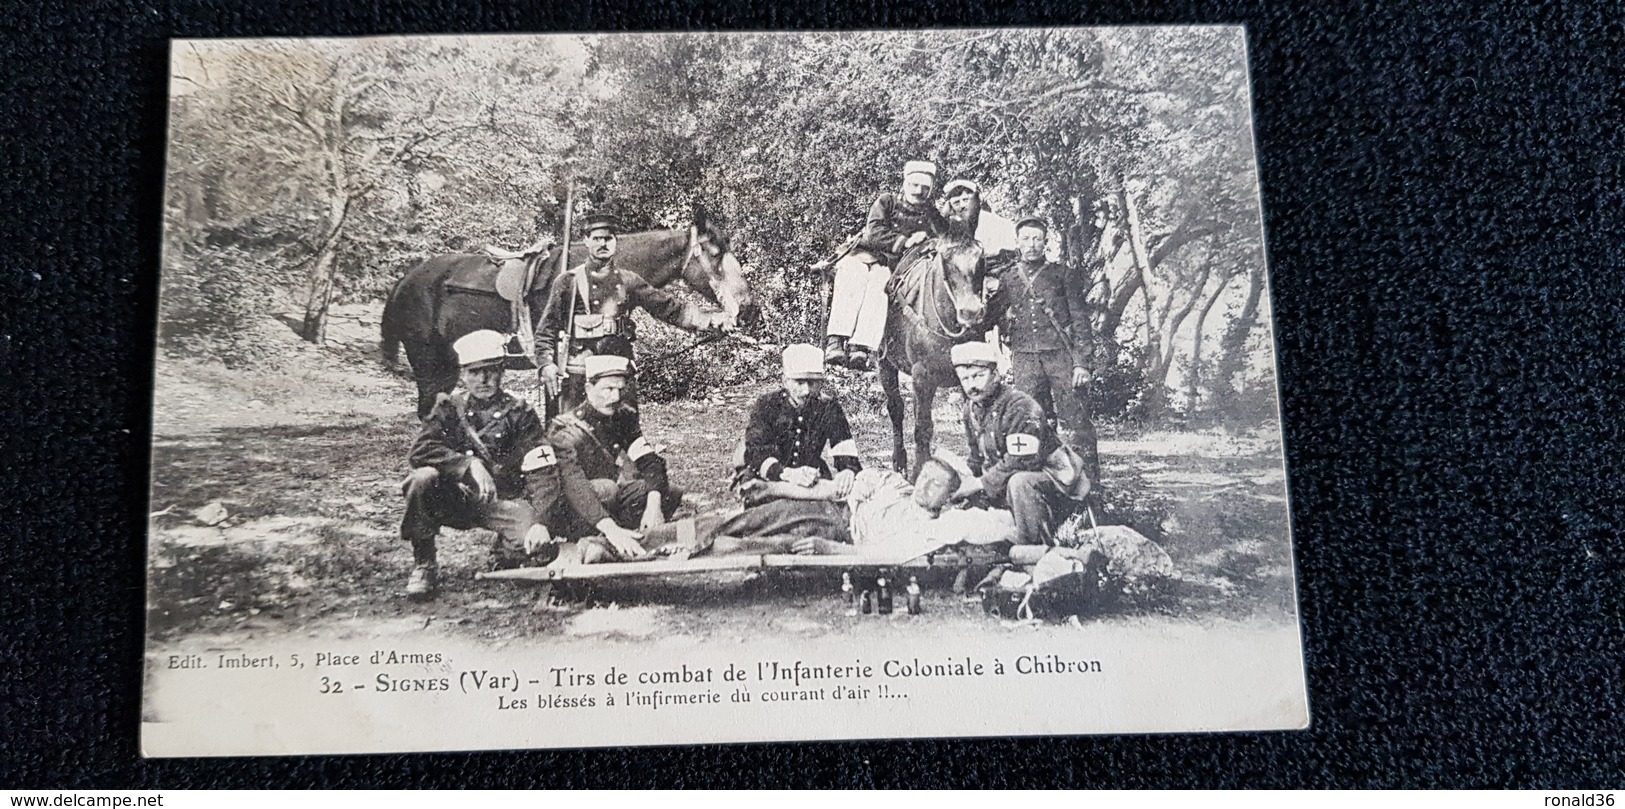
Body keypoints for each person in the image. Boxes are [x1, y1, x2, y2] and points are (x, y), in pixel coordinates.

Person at [399, 330, 605, 600]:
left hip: (504, 503)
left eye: (491, 370)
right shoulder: (449, 407)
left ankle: (505, 550)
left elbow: (542, 469)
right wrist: (469, 464)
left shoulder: (519, 413)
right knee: (421, 479)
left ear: (502, 371)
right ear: (463, 374)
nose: (483, 379)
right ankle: (424, 564)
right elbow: (421, 450)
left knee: (535, 547)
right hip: (458, 499)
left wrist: (541, 522)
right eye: (474, 372)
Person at [581, 456, 1013, 564]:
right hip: (827, 512)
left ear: (949, 495)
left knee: (742, 546)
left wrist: (830, 550)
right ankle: (626, 543)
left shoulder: (933, 527)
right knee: (735, 520)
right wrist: (773, 489)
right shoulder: (891, 484)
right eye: (925, 475)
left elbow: (882, 556)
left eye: (938, 485)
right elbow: (828, 490)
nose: (925, 485)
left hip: (839, 540)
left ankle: (662, 556)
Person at [536, 213, 717, 415]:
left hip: (618, 371)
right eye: (596, 238)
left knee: (622, 435)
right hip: (579, 375)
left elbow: (669, 309)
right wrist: (546, 365)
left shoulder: (629, 281)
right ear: (586, 241)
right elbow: (545, 331)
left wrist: (711, 320)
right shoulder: (567, 281)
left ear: (615, 243)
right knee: (571, 436)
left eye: (608, 238)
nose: (603, 244)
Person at [984, 216, 1101, 487]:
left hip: (1061, 358)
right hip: (1025, 360)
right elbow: (990, 316)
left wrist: (1082, 364)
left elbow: (1080, 319)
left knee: (1077, 423)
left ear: (1046, 242)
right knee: (1032, 423)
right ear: (1017, 242)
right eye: (1025, 238)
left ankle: (1091, 487)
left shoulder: (1063, 274)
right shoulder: (1008, 278)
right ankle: (1045, 485)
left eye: (1037, 238)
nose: (1031, 244)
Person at [824, 160, 949, 370]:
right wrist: (905, 241)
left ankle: (860, 347)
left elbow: (944, 237)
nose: (919, 191)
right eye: (914, 185)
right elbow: (874, 232)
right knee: (852, 274)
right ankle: (835, 341)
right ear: (905, 183)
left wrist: (930, 239)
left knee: (880, 285)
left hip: (893, 265)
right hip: (866, 253)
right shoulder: (887, 202)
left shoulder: (931, 212)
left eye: (925, 188)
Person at [949, 341, 1074, 547]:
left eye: (979, 376)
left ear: (995, 375)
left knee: (1020, 482)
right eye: (965, 379)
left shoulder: (1020, 406)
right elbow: (976, 458)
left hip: (1054, 485)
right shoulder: (971, 409)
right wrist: (961, 481)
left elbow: (1021, 462)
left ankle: (1032, 548)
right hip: (1003, 485)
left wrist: (979, 484)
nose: (972, 385)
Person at [547, 354, 682, 544]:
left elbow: (649, 461)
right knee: (608, 488)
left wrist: (653, 505)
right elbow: (574, 485)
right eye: (608, 389)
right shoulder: (566, 429)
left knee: (668, 492)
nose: (616, 397)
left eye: (620, 389)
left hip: (606, 500)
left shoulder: (621, 417)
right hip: (574, 507)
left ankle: (628, 534)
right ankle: (606, 536)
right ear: (588, 388)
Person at [740, 343, 861, 499]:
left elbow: (843, 446)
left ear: (821, 383)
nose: (806, 391)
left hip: (810, 479)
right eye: (799, 382)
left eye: (812, 383)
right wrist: (786, 473)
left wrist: (847, 470)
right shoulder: (767, 405)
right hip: (770, 478)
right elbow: (755, 451)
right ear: (785, 381)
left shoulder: (828, 407)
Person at [939, 179, 1019, 270]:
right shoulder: (956, 228)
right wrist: (944, 215)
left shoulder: (997, 223)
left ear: (977, 200)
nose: (962, 206)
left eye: (965, 200)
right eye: (956, 203)